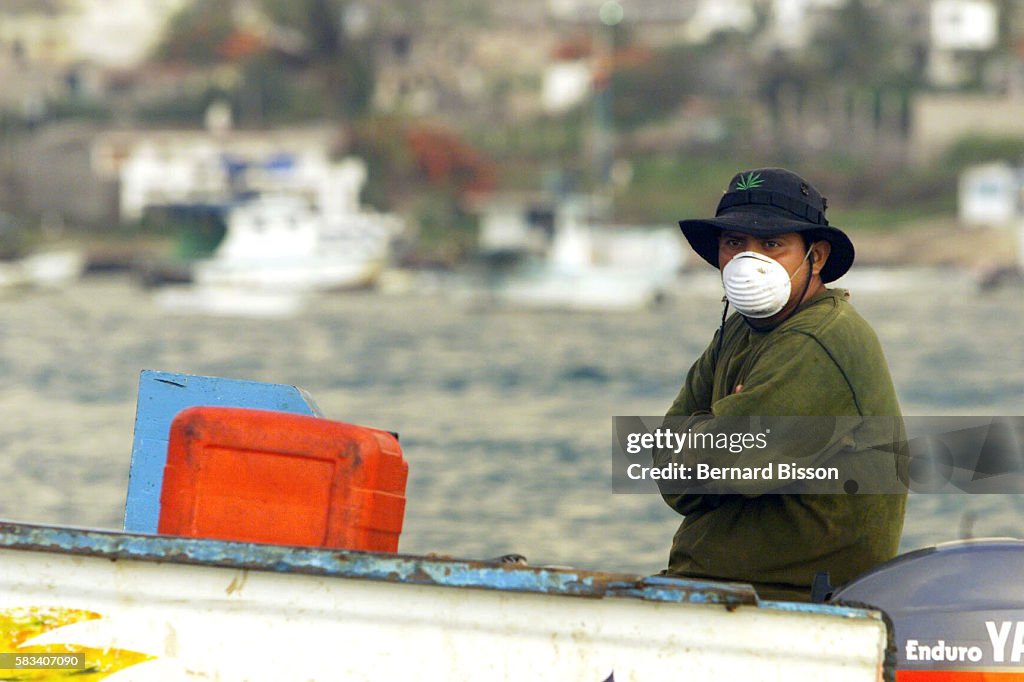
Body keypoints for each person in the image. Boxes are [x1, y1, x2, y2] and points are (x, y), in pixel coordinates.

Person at [655, 167, 907, 602]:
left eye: (772, 244)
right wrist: (717, 430)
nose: (749, 260)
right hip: (717, 591)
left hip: (793, 600)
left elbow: (723, 464)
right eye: (734, 243)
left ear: (817, 257)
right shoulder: (738, 331)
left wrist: (709, 432)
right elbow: (666, 467)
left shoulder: (819, 338)